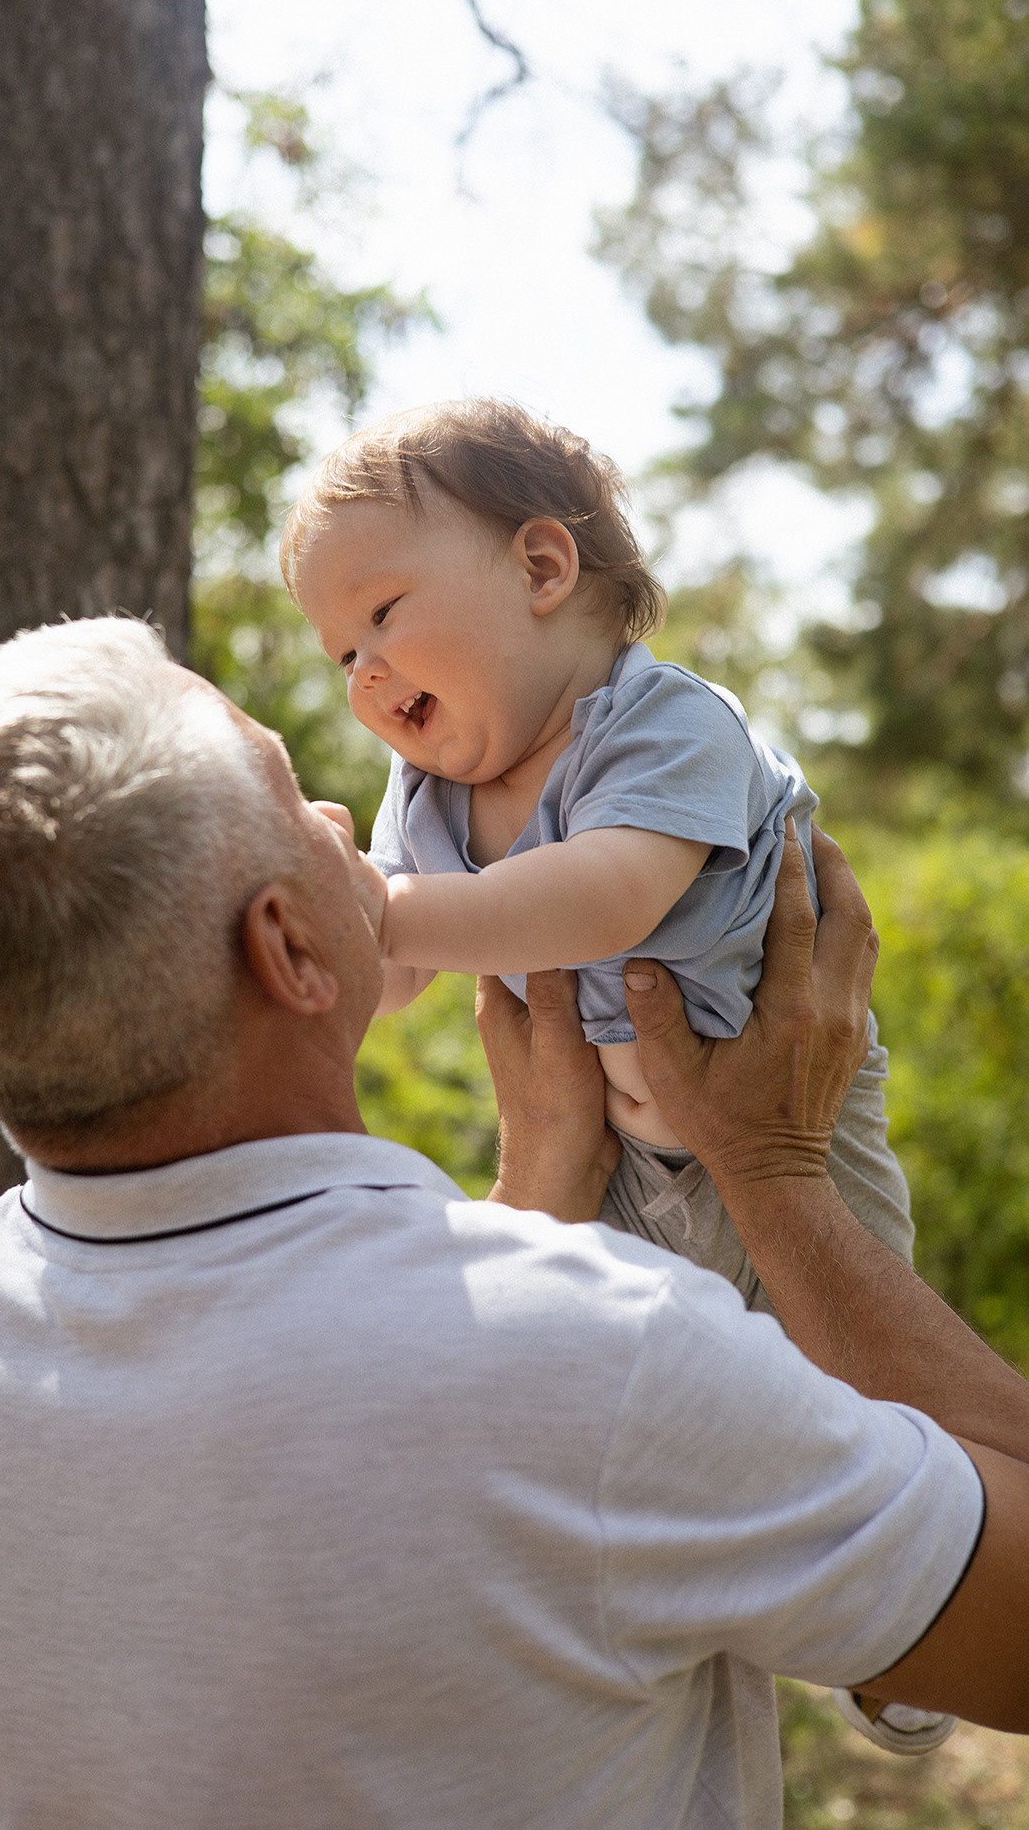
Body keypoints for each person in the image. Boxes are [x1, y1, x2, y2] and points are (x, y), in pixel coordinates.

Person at [0, 618, 1029, 1830]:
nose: (352, 818)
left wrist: (540, 1188)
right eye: (295, 796)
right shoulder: (597, 1361)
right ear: (288, 947)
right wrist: (774, 1175)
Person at [280, 398, 915, 1318]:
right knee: (637, 1405)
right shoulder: (424, 793)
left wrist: (376, 909)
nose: (364, 670)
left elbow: (608, 895)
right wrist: (308, 927)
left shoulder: (667, 720)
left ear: (542, 568)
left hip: (802, 1139)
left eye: (381, 613)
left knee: (861, 1390)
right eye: (342, 654)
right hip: (615, 1170)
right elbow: (397, 970)